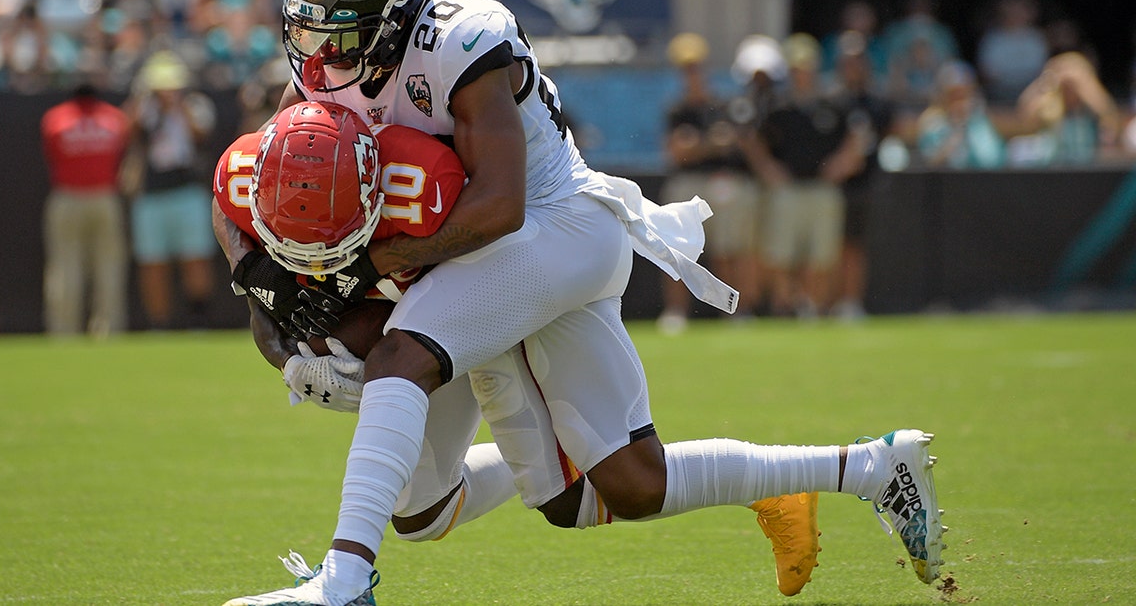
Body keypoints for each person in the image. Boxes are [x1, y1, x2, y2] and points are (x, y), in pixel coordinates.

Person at [223, 0, 946, 603]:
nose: (319, 50)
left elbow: (500, 205)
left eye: (338, 27)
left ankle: (344, 581)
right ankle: (870, 467)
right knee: (597, 491)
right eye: (309, 25)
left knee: (398, 358)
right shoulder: (326, 72)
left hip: (553, 226)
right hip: (468, 252)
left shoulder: (461, 38)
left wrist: (365, 271)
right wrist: (271, 313)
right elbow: (248, 185)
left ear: (394, 11)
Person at [215, 102, 824, 597]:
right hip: (433, 312)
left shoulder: (428, 186)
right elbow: (257, 282)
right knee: (426, 514)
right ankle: (589, 456)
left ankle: (345, 580)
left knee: (623, 485)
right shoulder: (247, 176)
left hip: (500, 278)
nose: (314, 260)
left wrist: (377, 349)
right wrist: (287, 348)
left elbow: (481, 251)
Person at [745, 33, 860, 318]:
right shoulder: (778, 106)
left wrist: (843, 162)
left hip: (822, 188)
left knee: (821, 255)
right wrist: (768, 169)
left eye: (806, 67)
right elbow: (753, 140)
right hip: (789, 189)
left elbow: (856, 138)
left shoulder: (833, 102)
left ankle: (812, 307)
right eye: (796, 68)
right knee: (780, 254)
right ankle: (785, 307)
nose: (802, 74)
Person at [656, 32, 761, 333]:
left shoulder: (723, 105)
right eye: (687, 69)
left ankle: (736, 311)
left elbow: (735, 144)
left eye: (696, 68)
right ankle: (676, 312)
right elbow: (676, 151)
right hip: (688, 182)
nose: (693, 75)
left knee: (730, 248)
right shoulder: (677, 110)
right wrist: (709, 144)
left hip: (720, 182)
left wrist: (699, 145)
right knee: (675, 251)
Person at [124, 50, 218, 329]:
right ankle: (159, 324)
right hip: (150, 195)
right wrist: (145, 102)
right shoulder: (143, 107)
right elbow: (128, 131)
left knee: (195, 256)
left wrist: (178, 106)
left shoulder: (195, 105)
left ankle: (198, 320)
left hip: (187, 191)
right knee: (153, 262)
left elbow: (201, 133)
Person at [39, 83, 131, 337]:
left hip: (67, 197)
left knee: (65, 268)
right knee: (109, 267)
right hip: (104, 198)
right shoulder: (114, 119)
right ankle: (109, 329)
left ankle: (63, 331)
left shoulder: (55, 119)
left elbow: (51, 155)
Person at [829, 31, 897, 321]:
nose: (854, 67)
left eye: (858, 61)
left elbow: (887, 135)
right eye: (848, 61)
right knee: (826, 247)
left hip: (864, 185)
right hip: (829, 185)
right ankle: (825, 302)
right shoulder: (830, 102)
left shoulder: (878, 102)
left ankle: (850, 302)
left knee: (854, 247)